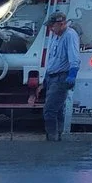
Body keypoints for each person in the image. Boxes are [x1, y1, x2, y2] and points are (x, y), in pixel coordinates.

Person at [39, 9, 81, 141]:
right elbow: (52, 58)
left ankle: (52, 137)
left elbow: (74, 57)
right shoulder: (55, 36)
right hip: (52, 76)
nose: (50, 29)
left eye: (52, 26)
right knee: (57, 109)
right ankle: (58, 136)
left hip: (61, 77)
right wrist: (46, 78)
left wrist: (72, 75)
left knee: (50, 110)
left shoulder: (70, 36)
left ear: (61, 24)